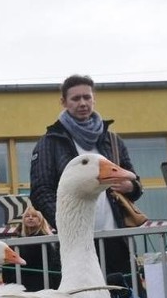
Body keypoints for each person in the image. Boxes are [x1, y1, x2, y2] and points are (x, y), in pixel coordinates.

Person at [29, 74, 143, 276]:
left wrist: (131, 187)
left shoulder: (112, 140)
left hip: (117, 238)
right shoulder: (49, 142)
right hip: (77, 243)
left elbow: (134, 180)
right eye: (75, 99)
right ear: (63, 102)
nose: (82, 103)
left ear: (94, 98)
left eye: (87, 97)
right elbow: (40, 190)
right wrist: (68, 223)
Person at [1, 205, 61, 291]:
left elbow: (53, 264)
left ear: (41, 220)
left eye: (34, 216)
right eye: (27, 216)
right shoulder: (17, 240)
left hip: (42, 284)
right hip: (20, 284)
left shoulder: (47, 241)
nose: (30, 218)